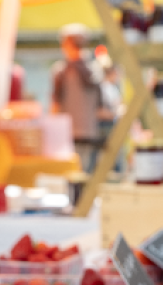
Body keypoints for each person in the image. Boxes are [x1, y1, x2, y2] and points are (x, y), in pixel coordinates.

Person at [51, 24, 105, 173]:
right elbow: (101, 108)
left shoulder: (62, 71)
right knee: (85, 173)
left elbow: (55, 106)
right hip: (90, 132)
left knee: (70, 175)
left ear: (67, 44)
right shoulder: (95, 71)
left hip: (68, 134)